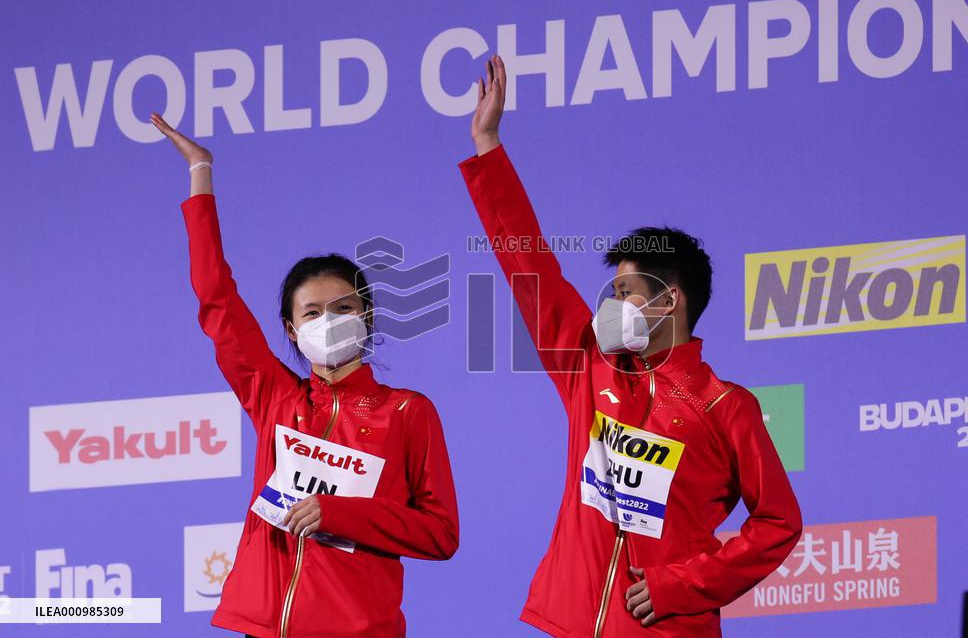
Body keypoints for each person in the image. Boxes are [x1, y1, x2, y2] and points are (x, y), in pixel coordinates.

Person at [458, 57, 801, 637]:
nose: (607, 306)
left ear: (669, 302)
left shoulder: (725, 407)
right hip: (569, 621)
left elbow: (778, 522)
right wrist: (488, 146)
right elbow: (528, 264)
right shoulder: (586, 362)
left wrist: (682, 585)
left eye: (623, 291)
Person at [151, 113, 459, 638]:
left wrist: (340, 513)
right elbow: (215, 296)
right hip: (263, 625)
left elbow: (440, 534)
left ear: (367, 316)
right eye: (312, 313)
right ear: (291, 331)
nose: (328, 321)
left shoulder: (408, 411)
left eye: (343, 307)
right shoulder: (273, 395)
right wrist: (201, 171)